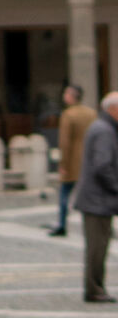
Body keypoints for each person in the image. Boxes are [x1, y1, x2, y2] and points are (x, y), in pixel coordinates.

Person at [73, 87, 118, 301]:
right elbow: (103, 166)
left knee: (98, 246)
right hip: (97, 200)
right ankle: (94, 289)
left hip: (97, 199)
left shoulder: (103, 127)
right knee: (97, 249)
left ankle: (95, 287)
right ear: (113, 109)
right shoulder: (104, 131)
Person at [52, 84, 96, 237]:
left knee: (64, 194)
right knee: (91, 195)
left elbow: (65, 142)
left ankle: (62, 224)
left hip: (72, 162)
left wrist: (63, 164)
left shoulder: (68, 115)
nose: (64, 95)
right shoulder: (91, 113)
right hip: (89, 160)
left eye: (66, 93)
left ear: (71, 96)